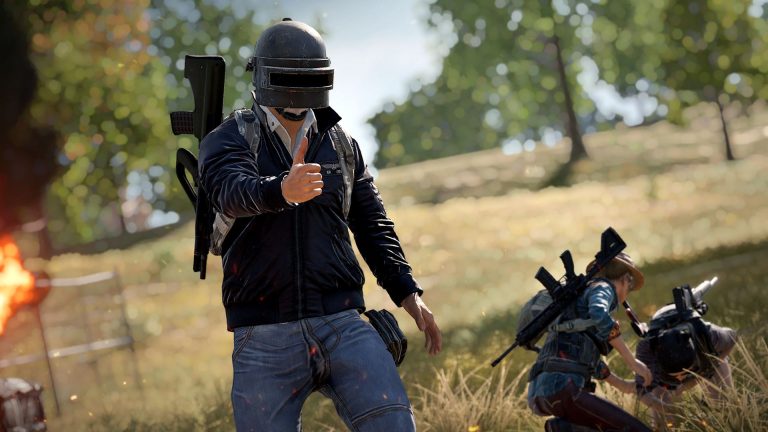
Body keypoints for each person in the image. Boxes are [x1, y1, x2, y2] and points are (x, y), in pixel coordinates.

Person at [198, 18, 442, 431]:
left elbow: (372, 223)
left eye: (309, 78)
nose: (299, 89)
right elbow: (230, 192)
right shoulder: (228, 139)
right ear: (264, 77)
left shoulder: (342, 144)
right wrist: (281, 190)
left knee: (394, 424)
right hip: (263, 335)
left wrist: (406, 291)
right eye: (289, 78)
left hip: (342, 321)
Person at [527, 252, 653, 432]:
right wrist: (632, 362)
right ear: (626, 279)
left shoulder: (576, 302)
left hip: (539, 395)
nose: (628, 292)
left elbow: (583, 356)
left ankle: (563, 428)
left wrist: (623, 386)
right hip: (565, 386)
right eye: (631, 286)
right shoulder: (604, 287)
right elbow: (599, 314)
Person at [632, 298, 738, 430]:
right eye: (675, 375)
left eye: (684, 374)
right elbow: (642, 391)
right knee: (662, 424)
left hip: (704, 360)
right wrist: (669, 409)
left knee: (726, 409)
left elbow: (733, 337)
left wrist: (709, 366)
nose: (680, 379)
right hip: (663, 378)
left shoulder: (708, 336)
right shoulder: (647, 351)